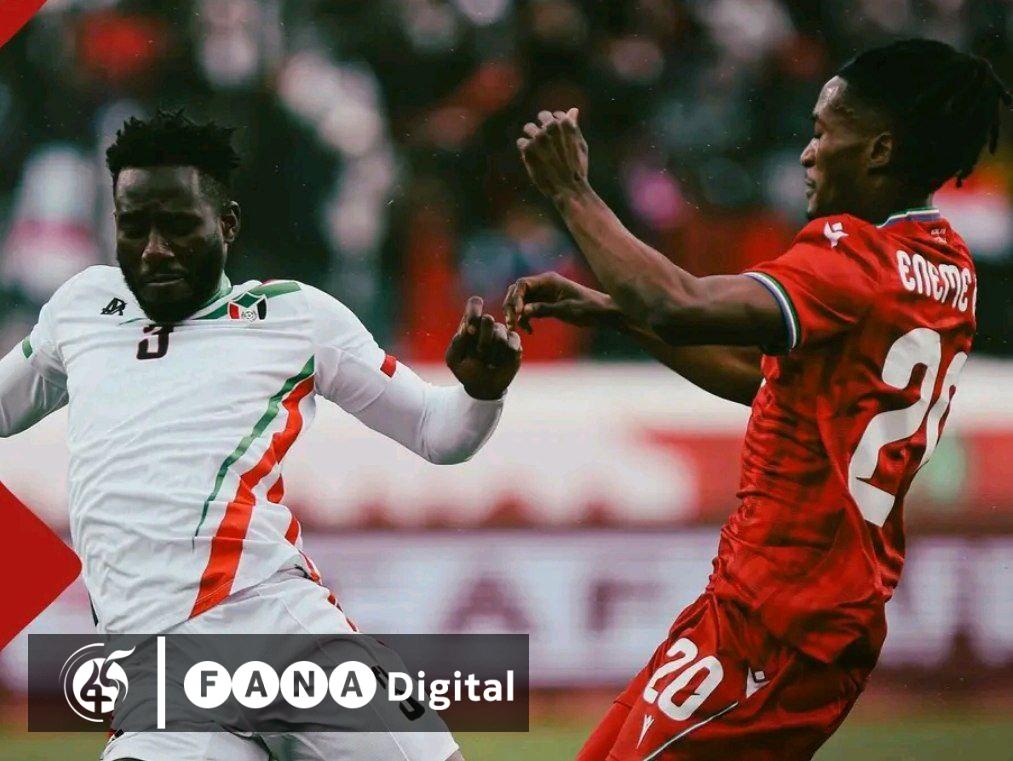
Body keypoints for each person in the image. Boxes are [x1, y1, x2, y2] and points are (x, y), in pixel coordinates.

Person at [507, 39, 1009, 760]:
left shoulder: (852, 254)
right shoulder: (945, 262)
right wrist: (614, 313)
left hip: (783, 628)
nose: (807, 153)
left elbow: (676, 302)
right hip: (762, 614)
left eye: (822, 132)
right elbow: (767, 383)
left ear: (878, 150)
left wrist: (571, 193)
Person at [0, 110, 522, 761]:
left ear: (228, 223)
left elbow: (435, 431)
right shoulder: (81, 307)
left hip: (280, 634)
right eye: (133, 227)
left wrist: (481, 392)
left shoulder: (294, 315)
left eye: (178, 226)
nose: (154, 249)